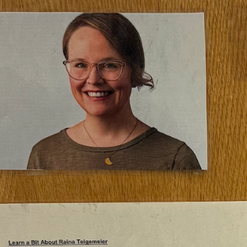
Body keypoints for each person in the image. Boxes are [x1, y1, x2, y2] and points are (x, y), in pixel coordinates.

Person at [27, 13, 201, 171]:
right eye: (80, 65)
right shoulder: (44, 155)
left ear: (134, 70)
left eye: (110, 65)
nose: (94, 79)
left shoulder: (176, 159)